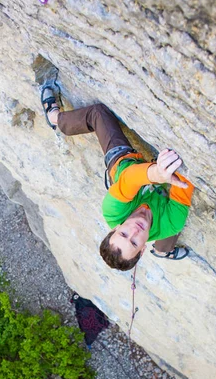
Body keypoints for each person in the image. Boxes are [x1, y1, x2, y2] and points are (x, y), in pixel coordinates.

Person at [41, 86, 195, 272]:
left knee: (98, 113)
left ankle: (55, 118)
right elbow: (185, 178)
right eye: (134, 242)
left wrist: (156, 174)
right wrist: (163, 172)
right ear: (142, 250)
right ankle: (163, 250)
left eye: (123, 233)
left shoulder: (112, 212)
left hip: (126, 165)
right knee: (171, 223)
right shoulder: (171, 223)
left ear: (115, 228)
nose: (134, 231)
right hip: (161, 203)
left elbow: (130, 179)